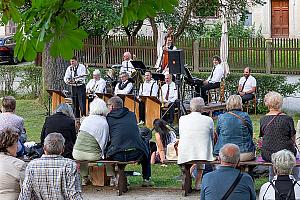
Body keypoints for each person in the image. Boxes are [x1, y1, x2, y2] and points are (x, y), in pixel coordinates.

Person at [105, 96, 153, 186]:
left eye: (107, 106)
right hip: (136, 153)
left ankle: (113, 177)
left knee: (107, 146)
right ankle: (146, 179)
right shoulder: (132, 115)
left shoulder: (108, 118)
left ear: (111, 106)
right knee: (146, 144)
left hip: (117, 155)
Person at [19, 132, 83, 199]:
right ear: (63, 149)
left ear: (44, 148)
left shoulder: (32, 165)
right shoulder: (70, 165)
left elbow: (25, 195)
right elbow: (74, 195)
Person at [178, 97, 214, 190]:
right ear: (202, 108)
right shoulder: (208, 120)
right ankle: (198, 182)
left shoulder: (182, 119)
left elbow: (181, 134)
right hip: (203, 154)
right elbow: (212, 136)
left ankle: (192, 182)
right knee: (201, 148)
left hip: (185, 153)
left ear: (190, 107)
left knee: (197, 147)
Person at [72, 98, 109, 185]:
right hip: (93, 155)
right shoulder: (104, 122)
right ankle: (111, 177)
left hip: (76, 152)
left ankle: (85, 178)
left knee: (83, 155)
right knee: (108, 154)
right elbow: (104, 142)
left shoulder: (86, 120)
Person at [214, 95, 255, 161]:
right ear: (240, 104)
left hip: (224, 154)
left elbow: (218, 134)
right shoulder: (245, 116)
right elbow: (251, 133)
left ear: (228, 104)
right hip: (244, 153)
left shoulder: (221, 117)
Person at [260, 91, 296, 162]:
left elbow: (263, 137)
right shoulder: (288, 119)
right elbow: (293, 139)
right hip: (286, 155)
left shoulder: (263, 119)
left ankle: (272, 173)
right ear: (280, 103)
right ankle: (291, 173)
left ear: (267, 104)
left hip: (268, 155)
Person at [0, 128, 26, 200]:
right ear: (9, 145)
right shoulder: (19, 165)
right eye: (16, 144)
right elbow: (27, 190)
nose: (17, 147)